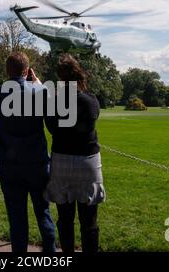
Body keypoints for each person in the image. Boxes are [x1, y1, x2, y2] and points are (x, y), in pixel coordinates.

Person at [0, 52, 56, 253]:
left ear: (7, 71)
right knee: (43, 212)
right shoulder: (39, 92)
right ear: (27, 70)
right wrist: (38, 84)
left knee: (17, 219)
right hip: (36, 162)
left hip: (9, 164)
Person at [44, 54, 105, 253]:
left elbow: (52, 128)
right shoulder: (90, 101)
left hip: (61, 160)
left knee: (65, 219)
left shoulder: (54, 102)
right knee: (89, 222)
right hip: (87, 162)